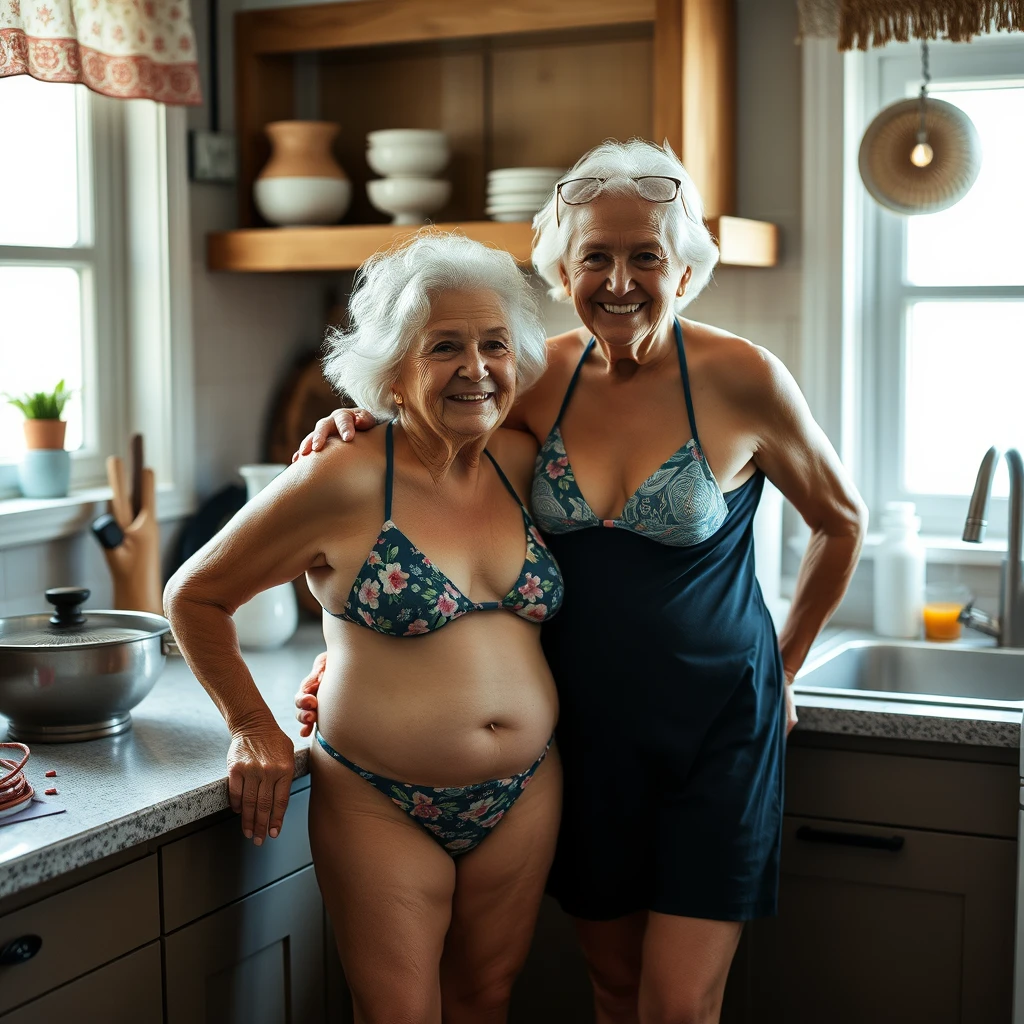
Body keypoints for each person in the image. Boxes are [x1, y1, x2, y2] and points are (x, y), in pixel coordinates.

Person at [294, 139, 867, 1024]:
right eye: (595, 254)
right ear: (563, 268)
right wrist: (353, 427)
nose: (620, 277)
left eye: (646, 254)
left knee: (676, 1005)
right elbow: (431, 457)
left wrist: (786, 667)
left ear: (685, 268)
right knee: (612, 987)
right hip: (585, 730)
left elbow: (841, 520)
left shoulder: (744, 377)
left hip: (718, 728)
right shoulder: (533, 375)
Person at [164, 232, 566, 1024]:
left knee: (486, 1000)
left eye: (493, 344)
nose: (476, 368)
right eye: (443, 346)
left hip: (527, 790)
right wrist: (253, 728)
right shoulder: (341, 474)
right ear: (391, 367)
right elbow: (194, 596)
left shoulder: (526, 460)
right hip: (379, 799)